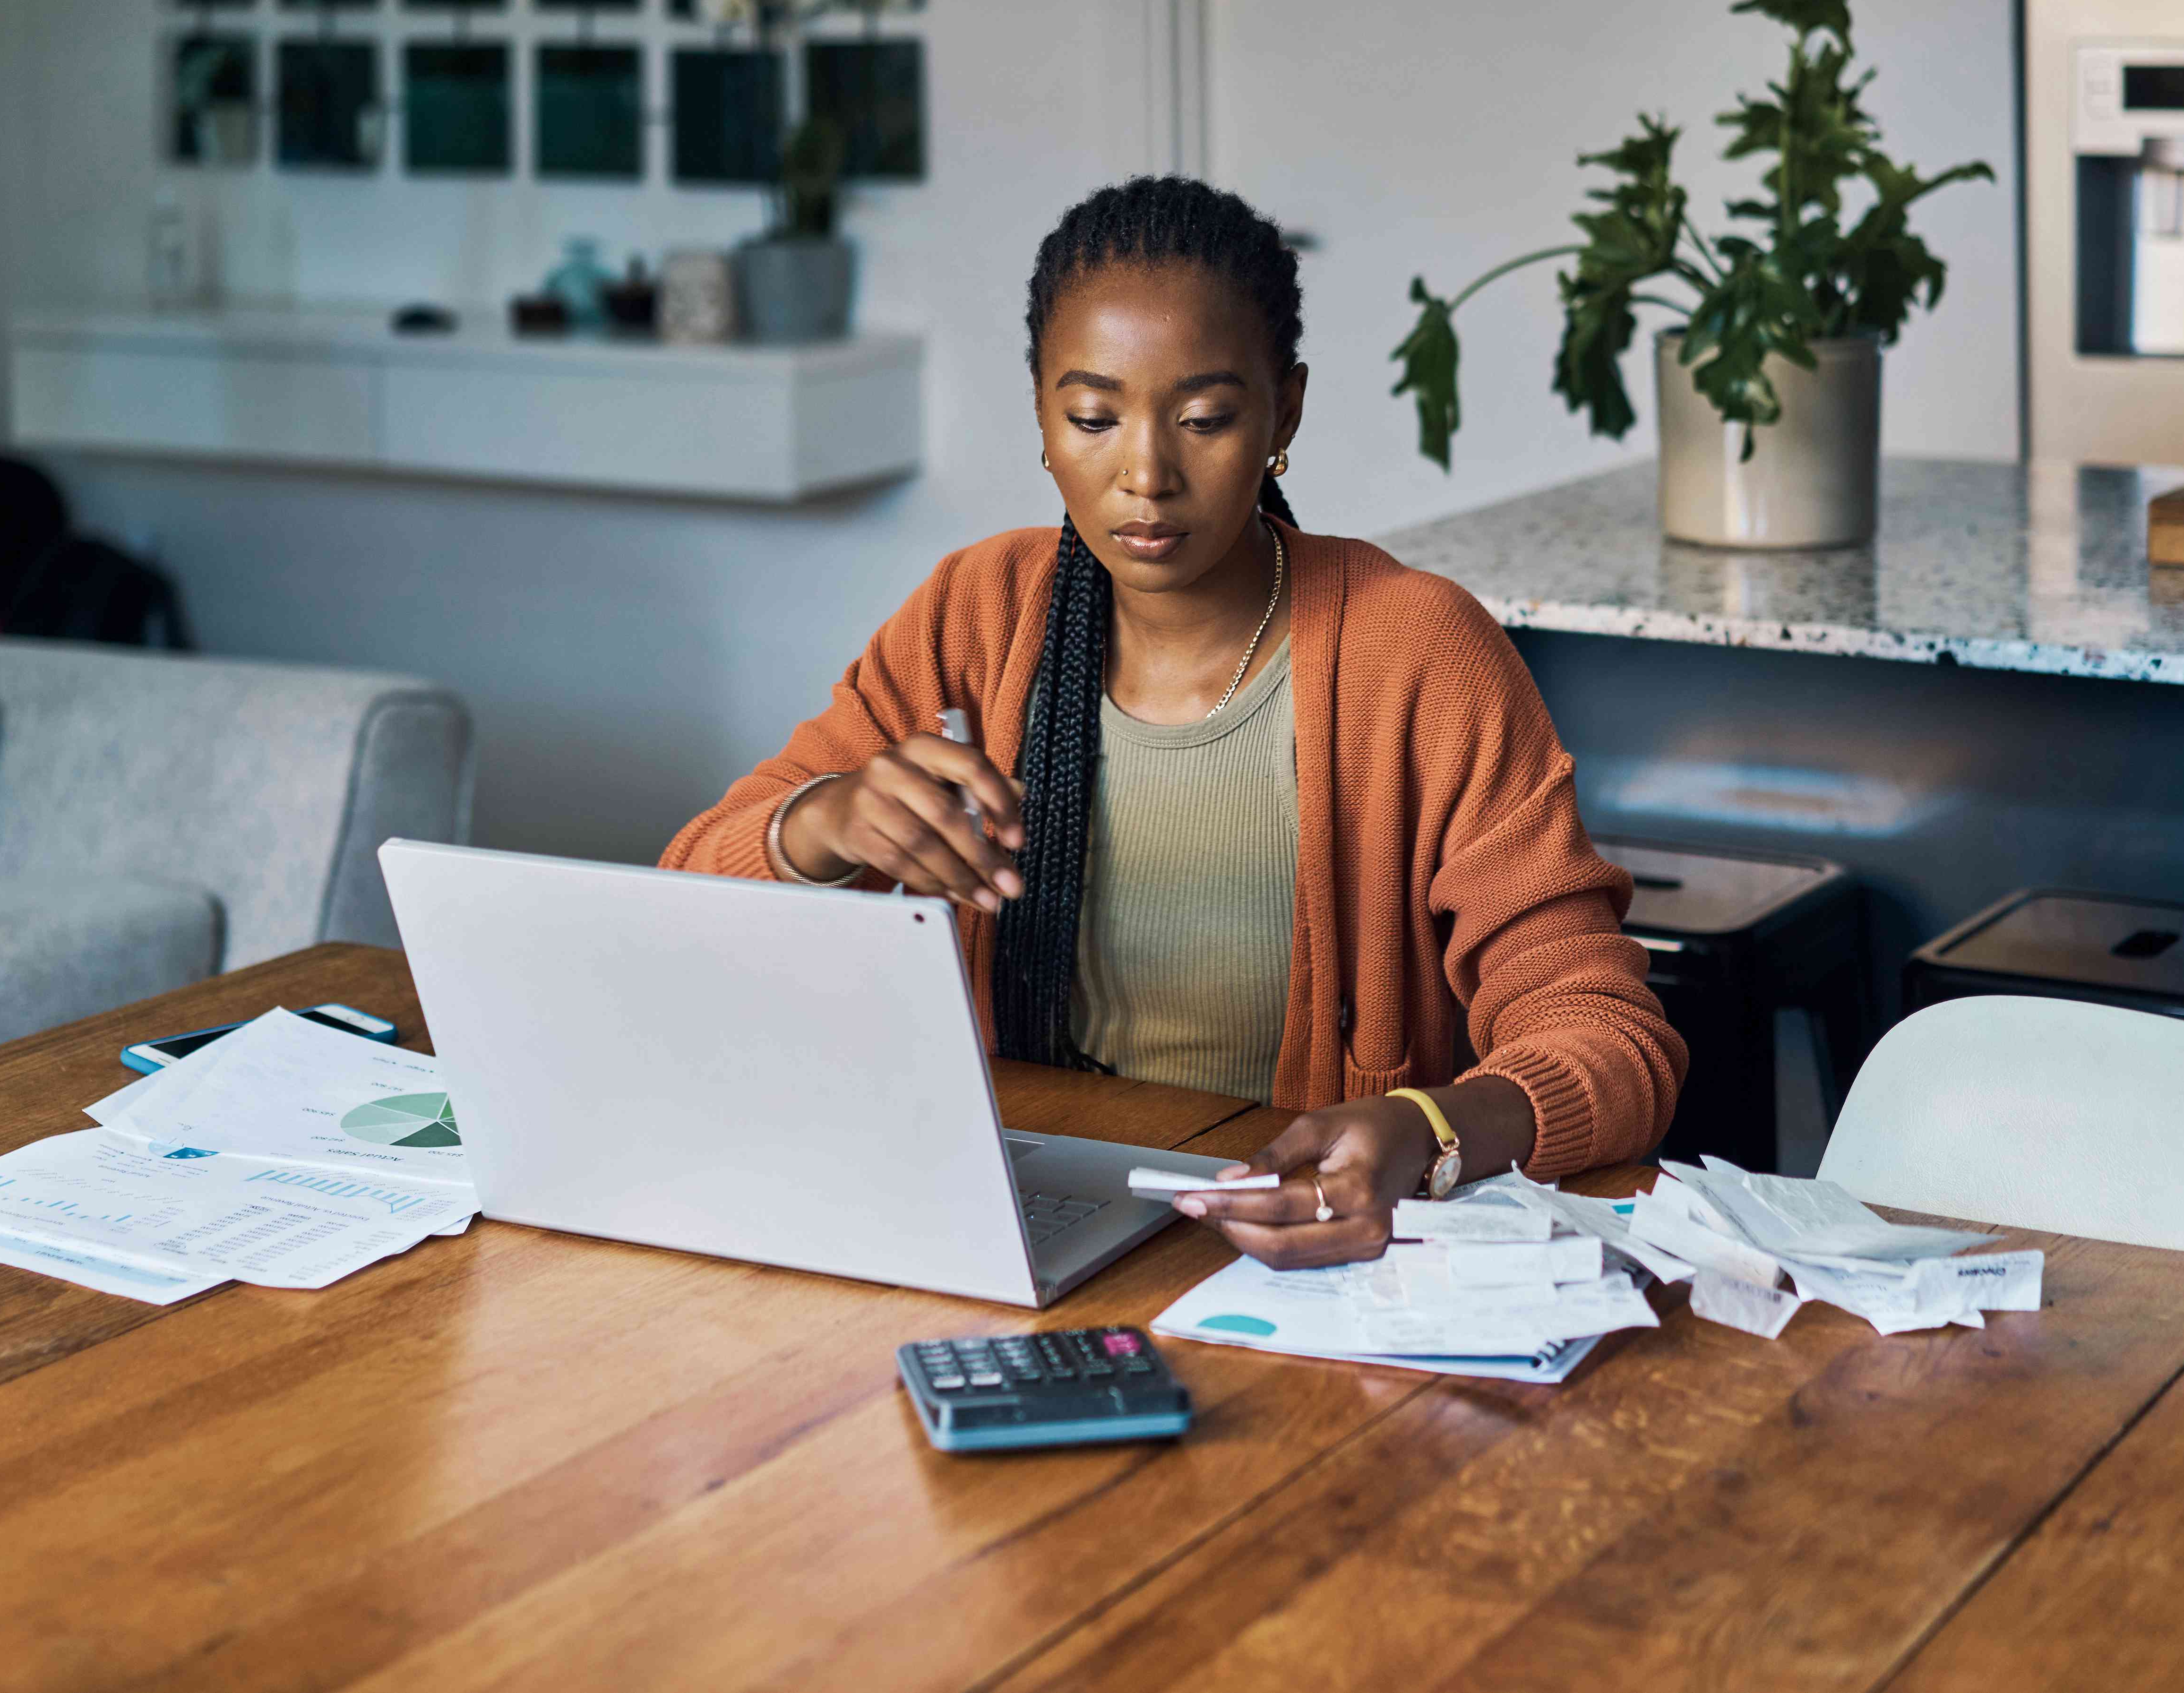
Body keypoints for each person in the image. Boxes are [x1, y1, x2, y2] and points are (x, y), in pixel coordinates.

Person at [663, 176, 1683, 1269]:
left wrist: (1430, 1130)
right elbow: (685, 903)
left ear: (1284, 411)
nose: (1145, 475)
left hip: (1313, 1252)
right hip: (1035, 1220)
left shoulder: (1419, 654)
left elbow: (1613, 1038)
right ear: (1042, 418)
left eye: (1205, 418)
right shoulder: (979, 613)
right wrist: (826, 823)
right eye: (1092, 418)